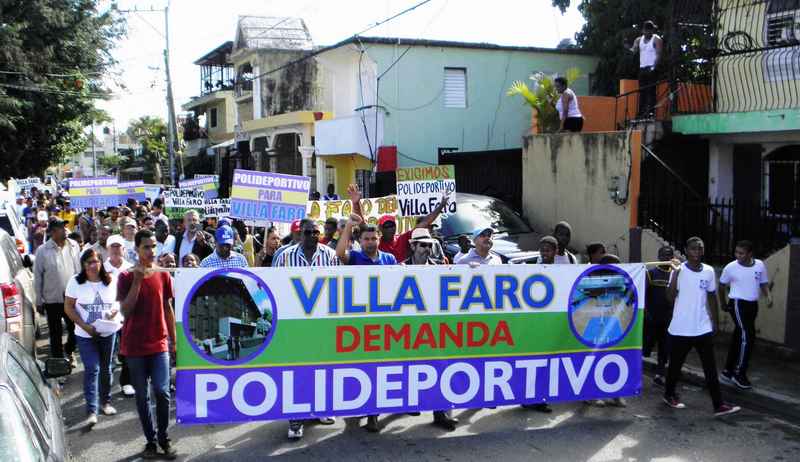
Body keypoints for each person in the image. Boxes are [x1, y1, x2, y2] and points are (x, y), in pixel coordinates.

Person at [272, 218, 338, 439]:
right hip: (294, 326)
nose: (312, 236)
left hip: (322, 324)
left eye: (316, 233)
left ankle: (320, 408)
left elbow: (338, 285)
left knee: (322, 370)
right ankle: (296, 419)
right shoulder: (284, 256)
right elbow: (274, 288)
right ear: (300, 233)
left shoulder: (329, 255)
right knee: (297, 373)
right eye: (308, 232)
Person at [663, 237, 741, 417]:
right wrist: (674, 273)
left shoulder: (708, 271)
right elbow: (669, 297)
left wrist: (715, 321)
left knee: (710, 369)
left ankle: (718, 405)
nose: (697, 252)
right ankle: (668, 394)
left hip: (702, 328)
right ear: (686, 250)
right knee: (675, 366)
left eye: (700, 249)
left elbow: (712, 296)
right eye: (693, 249)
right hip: (681, 329)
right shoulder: (679, 270)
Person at [118, 229, 178, 459]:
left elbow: (168, 308)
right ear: (137, 250)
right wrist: (137, 281)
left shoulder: (163, 274)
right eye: (146, 247)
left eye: (154, 246)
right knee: (142, 397)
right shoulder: (125, 277)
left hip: (159, 344)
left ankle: (164, 438)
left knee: (162, 392)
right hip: (134, 347)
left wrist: (174, 340)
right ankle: (151, 441)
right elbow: (125, 310)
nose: (151, 251)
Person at [336, 214, 396, 432]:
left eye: (373, 238)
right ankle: (359, 407)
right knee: (361, 369)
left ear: (379, 238)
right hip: (358, 324)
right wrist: (350, 226)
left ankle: (373, 415)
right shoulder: (354, 258)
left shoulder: (389, 259)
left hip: (383, 324)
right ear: (360, 242)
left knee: (378, 370)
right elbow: (339, 253)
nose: (370, 242)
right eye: (366, 239)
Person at [403, 228, 460, 431]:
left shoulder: (439, 267)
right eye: (423, 245)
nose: (427, 249)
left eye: (430, 245)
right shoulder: (400, 268)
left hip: (435, 329)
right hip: (409, 330)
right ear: (413, 246)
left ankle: (442, 414)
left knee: (441, 367)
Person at [64, 248, 122, 427]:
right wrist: (84, 326)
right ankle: (91, 410)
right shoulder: (75, 282)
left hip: (108, 331)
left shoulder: (111, 280)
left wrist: (114, 311)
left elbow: (118, 301)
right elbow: (69, 307)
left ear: (100, 263)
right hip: (85, 334)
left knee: (106, 368)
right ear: (83, 265)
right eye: (88, 262)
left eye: (95, 261)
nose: (92, 265)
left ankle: (105, 402)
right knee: (92, 368)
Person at [719, 240, 772, 390]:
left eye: (741, 253)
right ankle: (739, 373)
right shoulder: (731, 267)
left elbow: (763, 283)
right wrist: (723, 303)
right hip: (737, 304)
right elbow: (721, 286)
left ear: (750, 254)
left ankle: (727, 371)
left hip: (752, 305)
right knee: (748, 336)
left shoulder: (759, 265)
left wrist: (768, 295)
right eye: (736, 252)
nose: (738, 255)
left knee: (739, 336)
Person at [34, 218, 82, 363]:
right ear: (53, 232)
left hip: (72, 298)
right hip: (52, 298)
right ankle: (59, 361)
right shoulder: (43, 251)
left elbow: (79, 270)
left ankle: (69, 350)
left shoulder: (73, 245)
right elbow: (38, 277)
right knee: (55, 332)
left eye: (65, 227)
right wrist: (39, 300)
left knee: (75, 329)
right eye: (62, 228)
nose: (65, 230)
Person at [645, 245, 675, 386]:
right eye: (663, 255)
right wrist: (645, 313)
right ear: (658, 257)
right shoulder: (651, 273)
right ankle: (635, 372)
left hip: (667, 318)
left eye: (669, 255)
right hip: (652, 317)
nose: (666, 258)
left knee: (665, 347)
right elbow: (644, 294)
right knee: (646, 347)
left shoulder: (675, 274)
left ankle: (659, 374)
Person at [629, 20, 663, 118]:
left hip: (652, 68)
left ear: (652, 30)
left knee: (652, 91)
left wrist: (654, 67)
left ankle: (651, 113)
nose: (649, 32)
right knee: (642, 92)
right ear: (643, 30)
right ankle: (641, 113)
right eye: (647, 30)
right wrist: (628, 48)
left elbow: (659, 54)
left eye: (650, 30)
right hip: (642, 68)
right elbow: (634, 50)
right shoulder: (638, 40)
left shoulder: (656, 39)